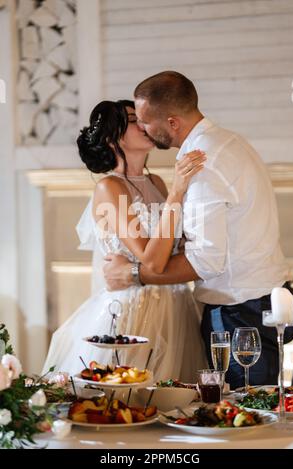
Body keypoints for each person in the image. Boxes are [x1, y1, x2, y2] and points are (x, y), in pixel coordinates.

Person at [103, 72, 293, 389]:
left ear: (172, 122)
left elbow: (206, 262)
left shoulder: (202, 162)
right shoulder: (229, 142)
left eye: (145, 121)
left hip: (240, 312)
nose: (142, 128)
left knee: (247, 420)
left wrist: (134, 274)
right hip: (261, 298)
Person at [42, 99, 207, 382]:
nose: (144, 124)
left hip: (175, 305)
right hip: (135, 309)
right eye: (134, 120)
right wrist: (178, 192)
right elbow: (149, 257)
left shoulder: (156, 182)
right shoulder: (110, 187)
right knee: (129, 392)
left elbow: (173, 246)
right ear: (111, 137)